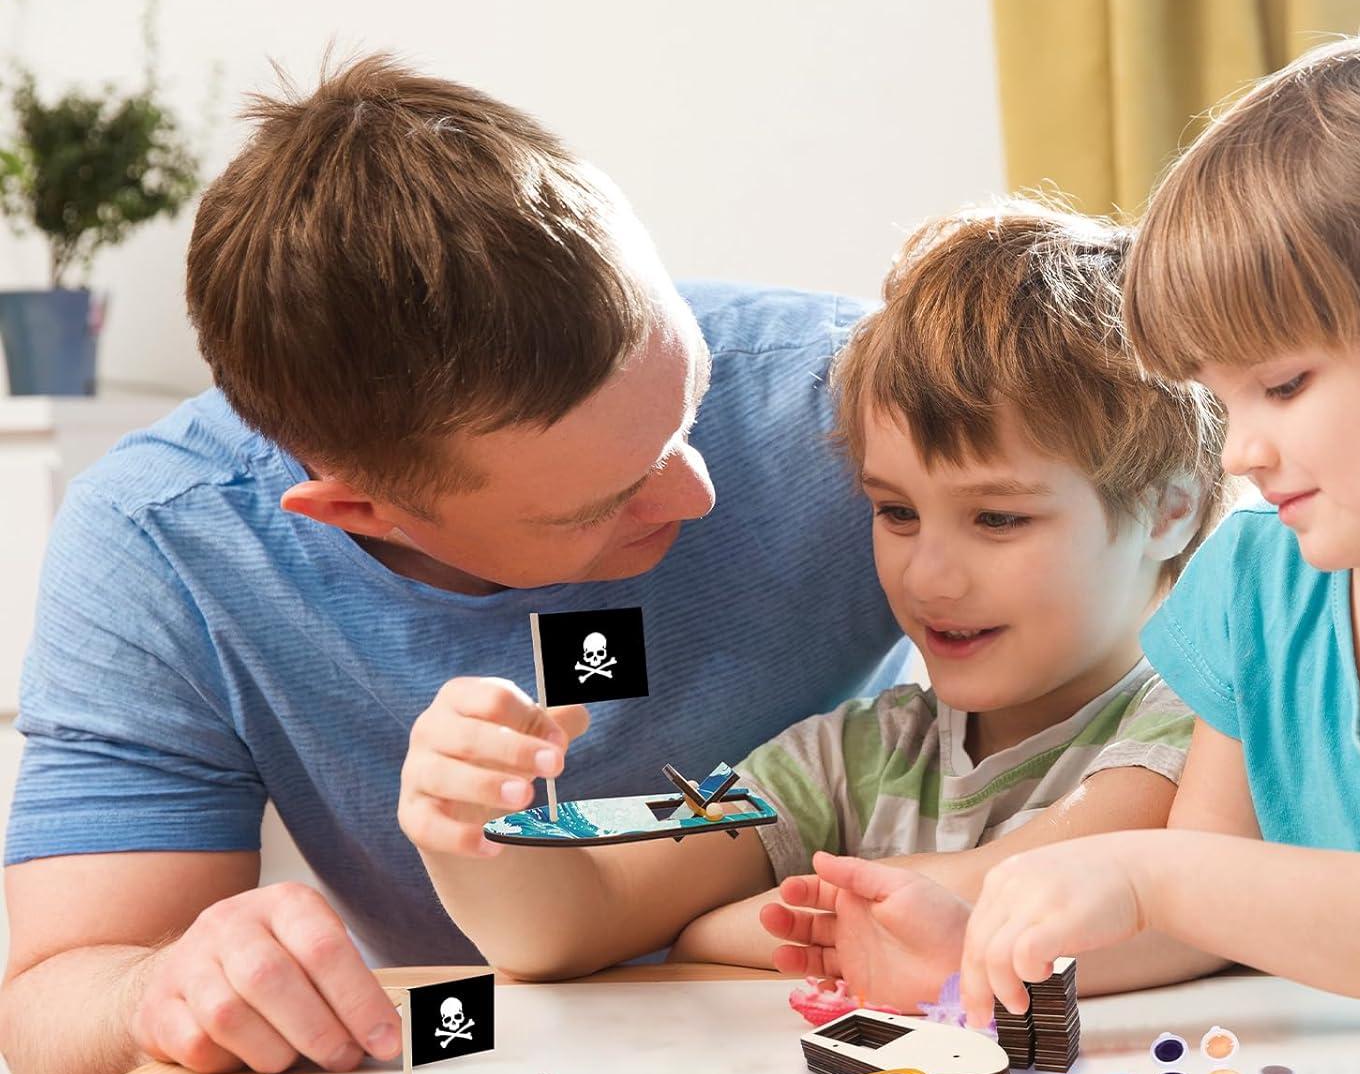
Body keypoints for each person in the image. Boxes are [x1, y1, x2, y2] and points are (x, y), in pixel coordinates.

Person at [0, 57, 907, 1074]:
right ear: (358, 510)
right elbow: (51, 1028)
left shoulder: (849, 391)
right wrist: (164, 990)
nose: (695, 493)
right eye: (594, 504)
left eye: (690, 400)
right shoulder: (163, 545)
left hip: (860, 1032)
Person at [768, 12, 1360, 1025]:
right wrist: (985, 955)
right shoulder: (1260, 584)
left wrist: (1150, 873)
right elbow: (1204, 915)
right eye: (1224, 398)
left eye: (1283, 386)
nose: (1241, 449)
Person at [401, 197, 1229, 991]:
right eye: (897, 512)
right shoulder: (843, 760)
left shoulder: (1206, 716)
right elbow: (577, 922)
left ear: (1172, 509)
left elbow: (1029, 888)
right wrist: (468, 824)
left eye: (998, 518)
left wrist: (723, 924)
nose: (927, 576)